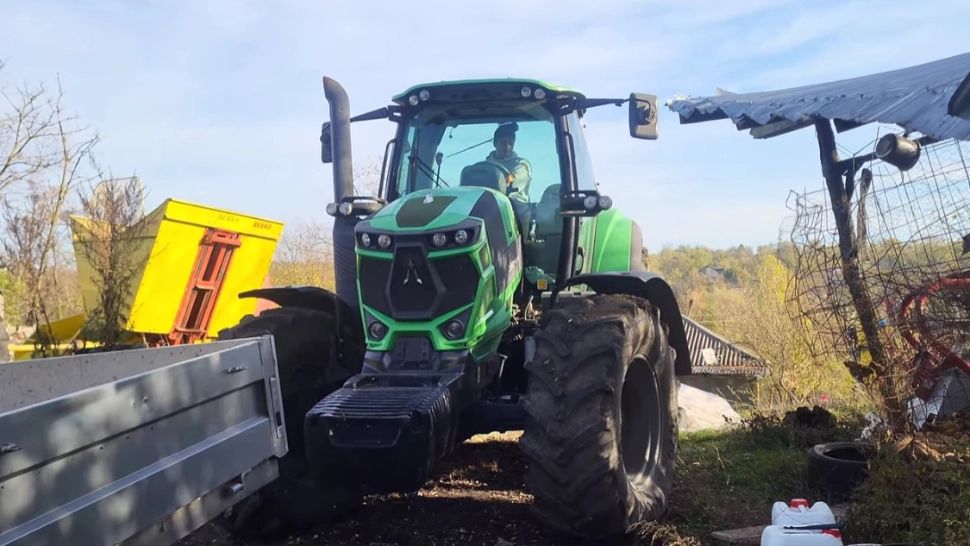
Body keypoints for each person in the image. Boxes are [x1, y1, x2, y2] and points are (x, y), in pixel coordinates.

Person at [484, 123, 531, 204]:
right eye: (503, 143)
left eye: (510, 143)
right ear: (495, 143)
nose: (507, 147)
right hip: (489, 202)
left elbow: (510, 183)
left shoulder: (521, 165)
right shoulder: (484, 166)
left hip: (516, 206)